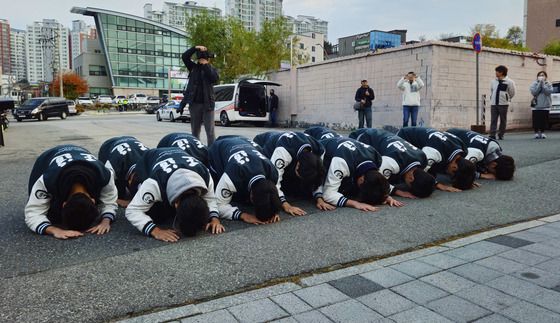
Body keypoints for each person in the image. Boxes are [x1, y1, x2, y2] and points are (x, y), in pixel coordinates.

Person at [126, 148, 223, 242]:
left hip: (179, 155)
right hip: (148, 160)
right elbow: (132, 211)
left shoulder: (205, 175)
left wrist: (214, 218)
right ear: (176, 204)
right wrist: (155, 231)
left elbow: (210, 199)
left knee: (191, 213)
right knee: (156, 215)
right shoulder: (154, 183)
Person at [25, 145, 118, 239]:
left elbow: (110, 200)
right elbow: (33, 213)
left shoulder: (104, 175)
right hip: (47, 158)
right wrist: (54, 230)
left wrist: (106, 220)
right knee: (53, 217)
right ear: (63, 204)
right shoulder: (47, 180)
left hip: (81, 151)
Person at [209, 136, 282, 225]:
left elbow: (272, 195)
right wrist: (243, 215)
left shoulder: (273, 172)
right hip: (220, 147)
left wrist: (272, 211)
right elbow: (219, 205)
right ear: (251, 197)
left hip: (244, 141)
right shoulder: (233, 175)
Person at [253, 131, 332, 213]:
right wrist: (285, 205)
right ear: (297, 164)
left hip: (291, 145)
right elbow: (274, 180)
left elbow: (318, 175)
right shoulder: (283, 152)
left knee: (303, 190)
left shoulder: (319, 149)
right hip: (263, 142)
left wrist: (319, 198)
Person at [317, 136, 400, 211]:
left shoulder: (376, 157)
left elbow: (378, 180)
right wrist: (355, 204)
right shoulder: (342, 162)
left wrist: (384, 195)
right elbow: (328, 194)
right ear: (361, 179)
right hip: (319, 151)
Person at [350, 128, 436, 198]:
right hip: (363, 136)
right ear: (411, 178)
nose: (406, 187)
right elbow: (377, 179)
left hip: (382, 133)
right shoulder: (392, 163)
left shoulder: (422, 157)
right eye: (408, 186)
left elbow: (425, 177)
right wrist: (396, 191)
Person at [397, 127, 476, 191]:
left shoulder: (462, 148)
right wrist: (437, 184)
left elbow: (466, 167)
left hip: (422, 136)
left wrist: (467, 179)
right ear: (454, 167)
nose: (450, 177)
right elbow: (420, 173)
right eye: (452, 176)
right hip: (404, 137)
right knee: (411, 170)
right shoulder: (433, 153)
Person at [179, 45, 219, 145]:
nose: (202, 58)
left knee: (210, 132)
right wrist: (196, 48)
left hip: (208, 105)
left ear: (208, 59)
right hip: (194, 104)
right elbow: (184, 56)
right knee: (195, 132)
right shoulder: (193, 67)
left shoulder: (212, 69)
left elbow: (214, 78)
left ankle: (211, 152)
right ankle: (196, 150)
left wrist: (205, 65)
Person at [98, 136, 150, 207]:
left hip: (131, 139)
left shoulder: (150, 161)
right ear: (129, 180)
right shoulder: (113, 165)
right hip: (107, 146)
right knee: (116, 193)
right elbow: (103, 192)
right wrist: (119, 201)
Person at [446, 128, 515, 181]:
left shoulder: (496, 146)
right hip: (448, 136)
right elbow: (462, 169)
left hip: (458, 131)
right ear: (494, 164)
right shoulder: (475, 152)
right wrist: (481, 175)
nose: (491, 173)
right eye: (493, 172)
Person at [489, 65, 516, 140]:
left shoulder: (510, 82)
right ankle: (492, 134)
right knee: (493, 119)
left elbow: (512, 92)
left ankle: (501, 134)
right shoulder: (493, 81)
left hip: (503, 104)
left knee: (503, 120)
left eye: (497, 71)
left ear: (502, 72)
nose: (496, 73)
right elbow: (492, 90)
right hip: (494, 103)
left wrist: (507, 98)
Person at [530, 71, 553, 139]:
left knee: (544, 119)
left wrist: (543, 85)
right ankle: (536, 132)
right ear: (537, 76)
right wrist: (539, 84)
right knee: (536, 119)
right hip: (536, 105)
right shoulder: (534, 83)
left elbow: (548, 92)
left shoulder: (548, 84)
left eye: (543, 75)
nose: (541, 76)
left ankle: (542, 132)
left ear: (546, 77)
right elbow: (534, 92)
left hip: (545, 105)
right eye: (540, 75)